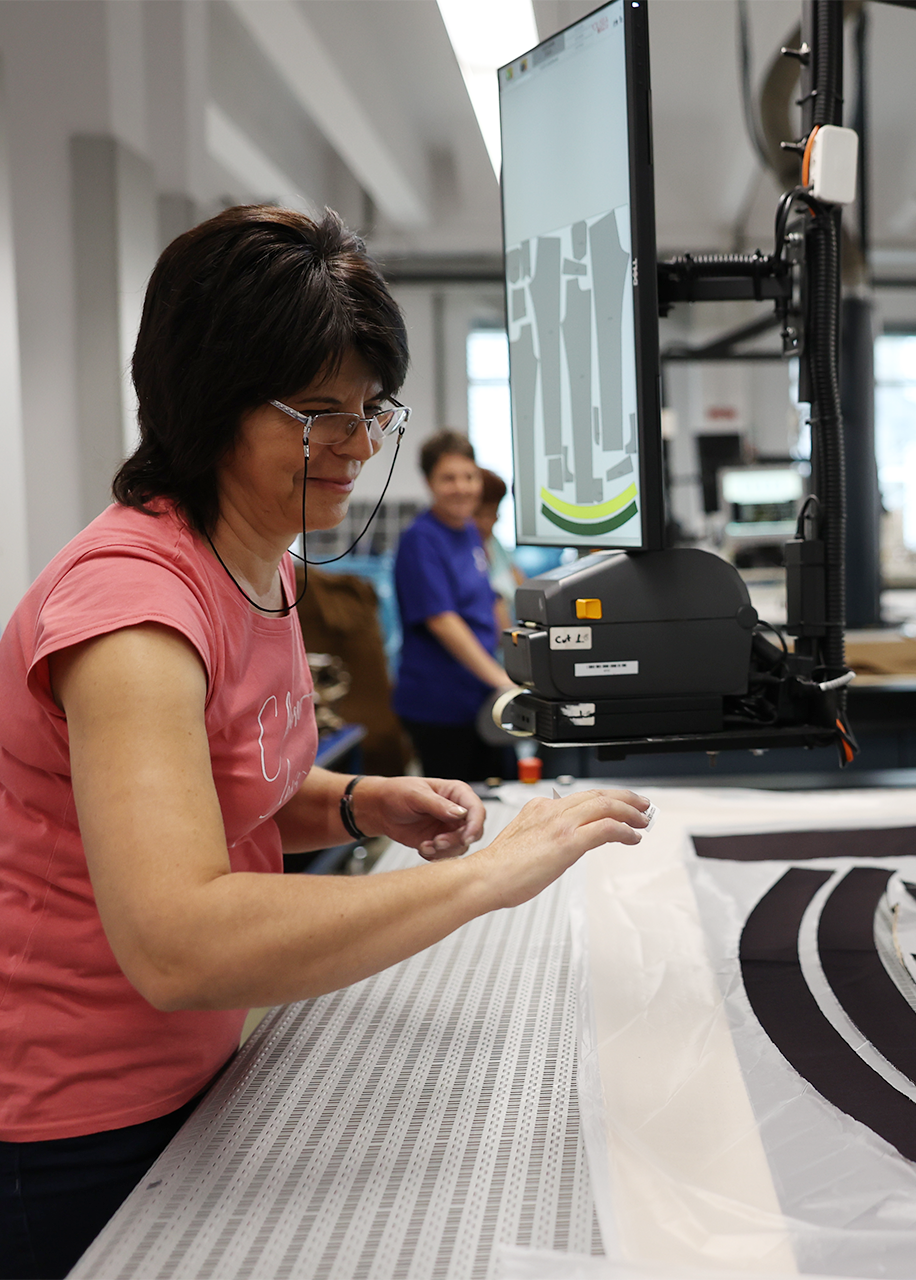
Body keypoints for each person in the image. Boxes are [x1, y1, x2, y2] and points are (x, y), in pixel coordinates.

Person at [0, 205, 649, 1280]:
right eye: (316, 414)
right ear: (207, 401)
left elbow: (223, 788)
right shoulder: (131, 615)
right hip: (74, 1120)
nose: (357, 444)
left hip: (196, 1069)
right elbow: (177, 941)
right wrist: (486, 878)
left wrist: (352, 802)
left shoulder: (264, 565)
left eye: (369, 410)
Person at [393, 434, 516, 781]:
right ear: (429, 482)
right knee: (456, 802)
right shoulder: (421, 540)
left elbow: (488, 600)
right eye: (449, 478)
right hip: (441, 705)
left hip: (479, 696)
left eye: (469, 476)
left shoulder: (470, 532)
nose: (461, 487)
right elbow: (442, 621)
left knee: (500, 789)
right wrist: (501, 679)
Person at [475, 468, 524, 631]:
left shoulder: (494, 544)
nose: (488, 523)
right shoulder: (464, 553)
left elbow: (524, 588)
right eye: (479, 515)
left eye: (493, 514)